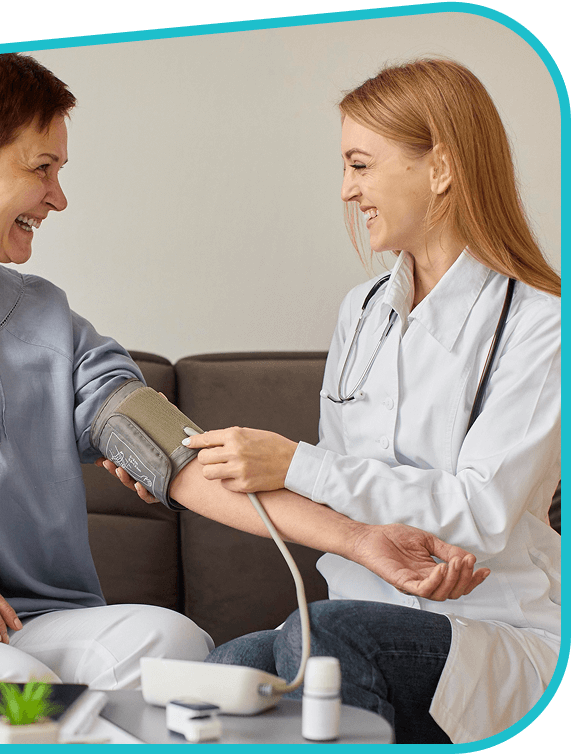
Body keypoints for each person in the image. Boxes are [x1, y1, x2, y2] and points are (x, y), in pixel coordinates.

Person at [0, 53, 487, 739]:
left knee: (171, 644)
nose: (58, 197)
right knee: (11, 689)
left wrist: (358, 539)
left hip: (16, 625)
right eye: (42, 168)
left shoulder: (44, 320)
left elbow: (181, 458)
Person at [178, 59, 560, 744]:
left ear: (440, 168)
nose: (347, 190)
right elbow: (334, 493)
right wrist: (184, 467)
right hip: (353, 612)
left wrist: (296, 463)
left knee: (324, 638)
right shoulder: (362, 311)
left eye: (360, 165)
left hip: (491, 626)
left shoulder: (543, 324)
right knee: (229, 669)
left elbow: (482, 512)